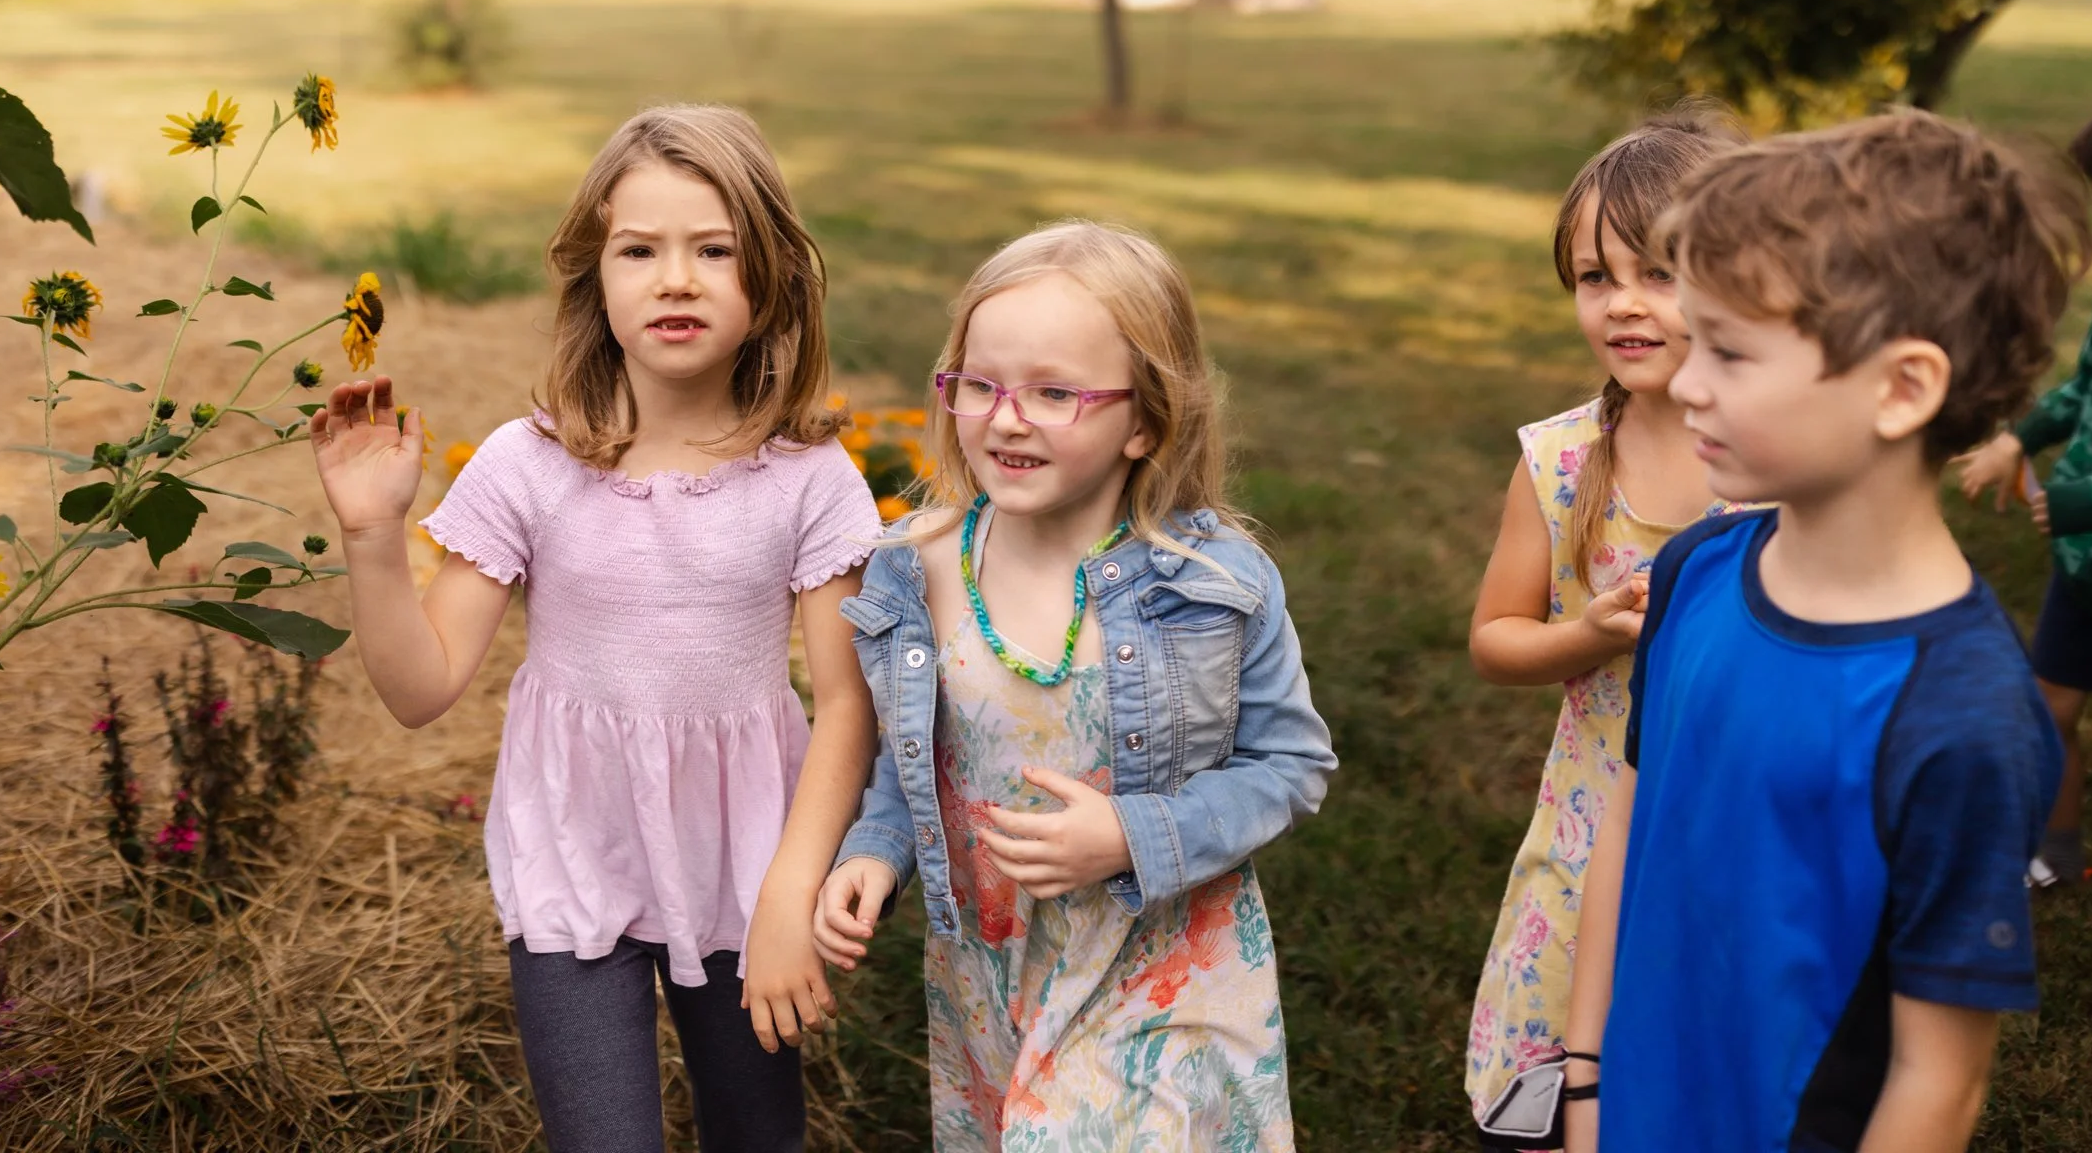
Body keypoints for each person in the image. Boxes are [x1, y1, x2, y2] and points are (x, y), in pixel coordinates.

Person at [309, 105, 880, 1153]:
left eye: (715, 249)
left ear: (772, 280)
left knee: (759, 1135)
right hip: (574, 855)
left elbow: (847, 705)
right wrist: (373, 537)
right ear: (594, 276)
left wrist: (790, 894)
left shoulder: (809, 481)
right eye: (640, 250)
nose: (677, 278)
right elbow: (419, 687)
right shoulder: (530, 467)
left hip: (748, 869)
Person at [1562, 112, 2090, 1152]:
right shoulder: (1695, 573)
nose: (1687, 380)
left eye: (1731, 350)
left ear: (1902, 387)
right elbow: (1627, 823)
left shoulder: (1964, 720)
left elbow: (1938, 1083)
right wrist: (1583, 1087)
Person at [809, 219, 1335, 1150]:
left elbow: (1291, 765)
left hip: (1157, 966)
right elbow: (914, 757)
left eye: (1055, 392)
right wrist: (874, 851)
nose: (1007, 418)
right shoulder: (912, 569)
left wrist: (1132, 835)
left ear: (1146, 420)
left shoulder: (1210, 582)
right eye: (981, 384)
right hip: (987, 970)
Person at [1463, 111, 1746, 1135]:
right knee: (1552, 1097)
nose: (1623, 304)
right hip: (1587, 829)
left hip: (1733, 827)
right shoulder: (1562, 461)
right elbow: (1496, 638)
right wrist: (1588, 635)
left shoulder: (1774, 468)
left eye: (1659, 272)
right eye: (1594, 277)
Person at [1955, 90, 2092, 888]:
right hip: (2089, 566)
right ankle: (2055, 852)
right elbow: (2084, 391)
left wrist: (2088, 501)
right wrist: (2014, 441)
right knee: (2050, 702)